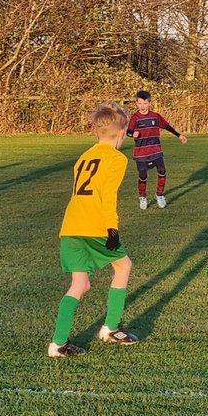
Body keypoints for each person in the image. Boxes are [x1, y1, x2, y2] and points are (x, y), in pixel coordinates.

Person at [49, 102, 139, 358]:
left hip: (71, 225)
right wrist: (112, 228)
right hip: (94, 224)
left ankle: (57, 344)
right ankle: (110, 328)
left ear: (96, 132)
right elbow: (107, 195)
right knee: (123, 266)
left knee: (80, 283)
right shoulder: (116, 158)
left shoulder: (85, 156)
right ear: (122, 133)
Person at [126, 90, 187, 209]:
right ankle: (142, 197)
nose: (142, 106)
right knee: (143, 175)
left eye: (145, 103)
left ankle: (159, 195)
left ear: (150, 103)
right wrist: (132, 134)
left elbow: (167, 126)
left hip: (156, 150)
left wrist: (179, 135)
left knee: (162, 170)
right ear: (136, 104)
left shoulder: (155, 116)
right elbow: (129, 131)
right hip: (141, 152)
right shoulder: (135, 117)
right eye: (139, 103)